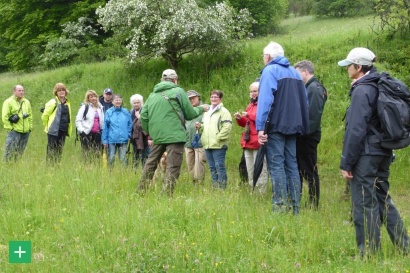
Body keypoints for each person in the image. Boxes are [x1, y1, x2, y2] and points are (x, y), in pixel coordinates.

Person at [338, 47, 408, 257]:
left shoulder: (362, 90)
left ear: (358, 67)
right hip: (383, 151)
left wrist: (346, 163)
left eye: (349, 65)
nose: (347, 69)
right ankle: (405, 246)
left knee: (363, 203)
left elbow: (356, 130)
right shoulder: (379, 84)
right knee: (382, 198)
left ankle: (368, 253)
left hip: (366, 155)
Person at [256, 42, 309, 215]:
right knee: (292, 165)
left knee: (277, 165)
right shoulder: (295, 73)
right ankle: (295, 208)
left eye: (264, 56)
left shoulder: (269, 71)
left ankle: (279, 206)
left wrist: (261, 127)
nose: (263, 59)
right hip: (294, 126)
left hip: (276, 126)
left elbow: (266, 100)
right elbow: (304, 102)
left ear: (268, 57)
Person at [138, 69, 208, 195]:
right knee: (173, 166)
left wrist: (151, 131)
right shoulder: (178, 91)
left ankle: (140, 191)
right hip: (175, 136)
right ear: (175, 80)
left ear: (162, 80)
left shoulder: (152, 95)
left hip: (157, 136)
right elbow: (190, 113)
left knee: (150, 163)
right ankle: (166, 195)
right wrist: (201, 109)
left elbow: (143, 116)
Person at [294, 60, 327, 209]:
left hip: (308, 137)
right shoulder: (308, 87)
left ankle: (313, 204)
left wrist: (302, 134)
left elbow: (313, 116)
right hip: (303, 135)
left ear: (305, 72)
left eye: (297, 72)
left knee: (310, 170)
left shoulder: (314, 88)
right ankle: (298, 199)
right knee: (301, 170)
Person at [234, 81, 268, 194]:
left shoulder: (264, 104)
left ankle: (261, 194)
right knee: (250, 170)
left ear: (261, 91)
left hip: (258, 142)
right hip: (248, 142)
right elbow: (246, 123)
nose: (253, 93)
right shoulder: (250, 105)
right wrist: (240, 118)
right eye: (251, 91)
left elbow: (261, 119)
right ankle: (253, 192)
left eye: (255, 91)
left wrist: (249, 115)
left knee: (261, 169)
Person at [198, 90, 232, 189]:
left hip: (219, 145)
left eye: (216, 97)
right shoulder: (207, 112)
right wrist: (200, 126)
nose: (213, 99)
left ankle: (222, 188)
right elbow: (205, 126)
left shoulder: (224, 111)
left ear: (220, 99)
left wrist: (218, 138)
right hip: (207, 144)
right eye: (212, 97)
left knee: (219, 166)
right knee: (212, 167)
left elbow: (227, 126)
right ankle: (214, 186)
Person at [42, 83, 72, 164]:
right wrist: (48, 126)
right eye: (59, 90)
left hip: (63, 129)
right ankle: (49, 166)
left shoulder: (67, 102)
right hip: (53, 130)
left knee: (59, 149)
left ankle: (57, 164)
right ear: (56, 92)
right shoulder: (53, 102)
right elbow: (45, 116)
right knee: (51, 149)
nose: (61, 92)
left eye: (63, 90)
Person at [2, 85, 32, 162]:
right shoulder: (8, 102)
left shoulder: (26, 102)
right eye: (19, 90)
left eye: (22, 90)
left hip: (26, 131)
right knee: (9, 151)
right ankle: (6, 165)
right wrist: (11, 129)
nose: (21, 92)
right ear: (14, 91)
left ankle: (16, 165)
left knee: (20, 151)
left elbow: (30, 115)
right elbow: (4, 117)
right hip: (14, 131)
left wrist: (30, 128)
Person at [102, 94, 132, 167]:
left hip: (123, 139)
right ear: (112, 101)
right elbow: (105, 127)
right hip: (112, 139)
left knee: (123, 158)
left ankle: (123, 174)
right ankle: (110, 173)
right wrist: (104, 140)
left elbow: (130, 124)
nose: (118, 101)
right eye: (116, 100)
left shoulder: (126, 112)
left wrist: (128, 135)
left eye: (119, 100)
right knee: (111, 157)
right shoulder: (109, 112)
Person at [75, 90, 105, 161]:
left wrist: (102, 130)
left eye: (94, 96)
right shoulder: (84, 107)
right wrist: (82, 131)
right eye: (91, 97)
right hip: (87, 133)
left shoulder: (100, 107)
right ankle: (87, 167)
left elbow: (102, 120)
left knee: (97, 153)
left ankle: (96, 168)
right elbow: (78, 120)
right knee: (86, 153)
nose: (93, 98)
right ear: (88, 98)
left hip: (97, 133)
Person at [184, 90, 207, 184]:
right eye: (189, 99)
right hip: (187, 142)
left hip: (200, 142)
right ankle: (194, 182)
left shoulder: (205, 108)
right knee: (190, 164)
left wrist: (201, 125)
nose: (191, 100)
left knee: (199, 163)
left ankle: (200, 182)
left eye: (193, 98)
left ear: (198, 97)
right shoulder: (186, 111)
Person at [130, 94, 151, 169]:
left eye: (138, 102)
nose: (136, 104)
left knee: (145, 156)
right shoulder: (131, 112)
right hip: (135, 138)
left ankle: (145, 171)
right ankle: (134, 172)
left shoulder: (145, 111)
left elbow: (148, 124)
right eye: (134, 103)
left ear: (141, 103)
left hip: (145, 138)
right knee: (135, 156)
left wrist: (139, 117)